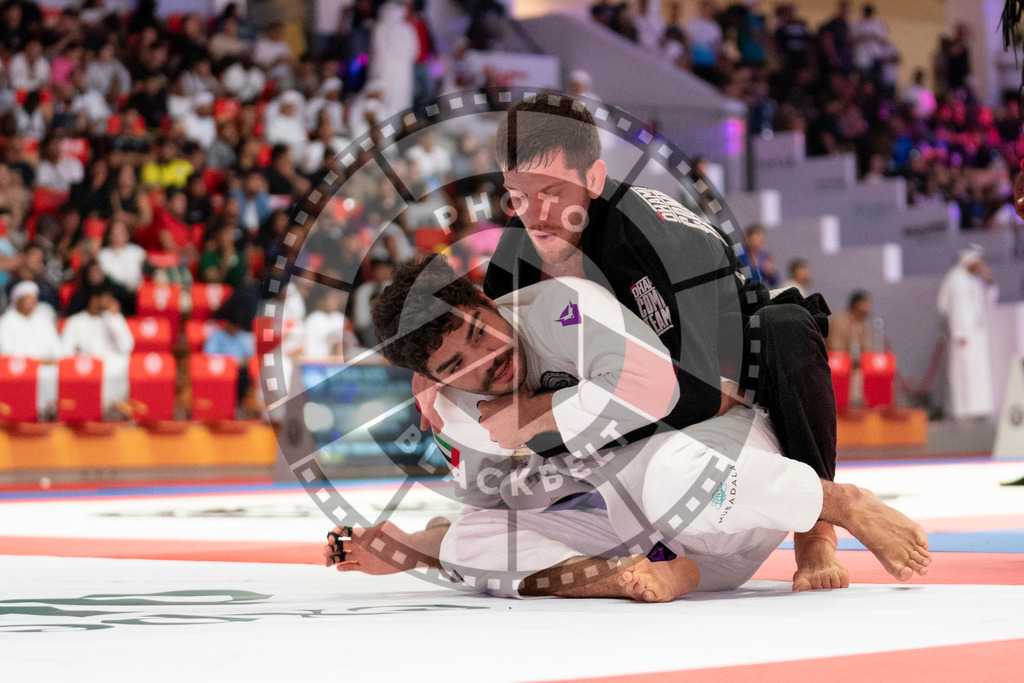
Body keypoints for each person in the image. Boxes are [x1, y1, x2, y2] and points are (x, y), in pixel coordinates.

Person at [325, 255, 930, 601]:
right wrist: (416, 547)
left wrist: (539, 414)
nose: (485, 364)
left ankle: (835, 503)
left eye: (480, 333)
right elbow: (495, 513)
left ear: (490, 303)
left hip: (717, 480)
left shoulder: (565, 310)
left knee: (668, 479)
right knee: (470, 538)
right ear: (432, 379)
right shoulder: (455, 416)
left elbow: (666, 391)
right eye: (455, 366)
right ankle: (622, 582)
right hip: (643, 539)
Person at [437, 93, 844, 592]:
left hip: (728, 369)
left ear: (593, 178)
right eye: (518, 195)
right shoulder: (513, 261)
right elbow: (485, 344)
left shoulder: (657, 238)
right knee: (480, 523)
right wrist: (428, 370)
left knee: (785, 327)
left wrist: (547, 410)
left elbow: (691, 392)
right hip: (625, 413)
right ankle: (626, 559)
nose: (535, 214)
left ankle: (818, 527)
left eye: (551, 191)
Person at [937, 247, 997, 420]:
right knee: (963, 372)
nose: (981, 266)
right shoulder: (956, 278)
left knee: (978, 371)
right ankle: (963, 411)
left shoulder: (975, 280)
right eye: (978, 262)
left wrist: (989, 281)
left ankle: (979, 408)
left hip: (977, 334)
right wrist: (958, 333)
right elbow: (951, 308)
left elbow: (988, 301)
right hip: (963, 336)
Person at [0, 281, 62, 360]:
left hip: (46, 367)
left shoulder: (43, 320)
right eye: (29, 299)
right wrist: (35, 362)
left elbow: (57, 348)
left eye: (34, 299)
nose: (33, 303)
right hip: (20, 368)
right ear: (19, 301)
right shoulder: (6, 321)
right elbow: (6, 351)